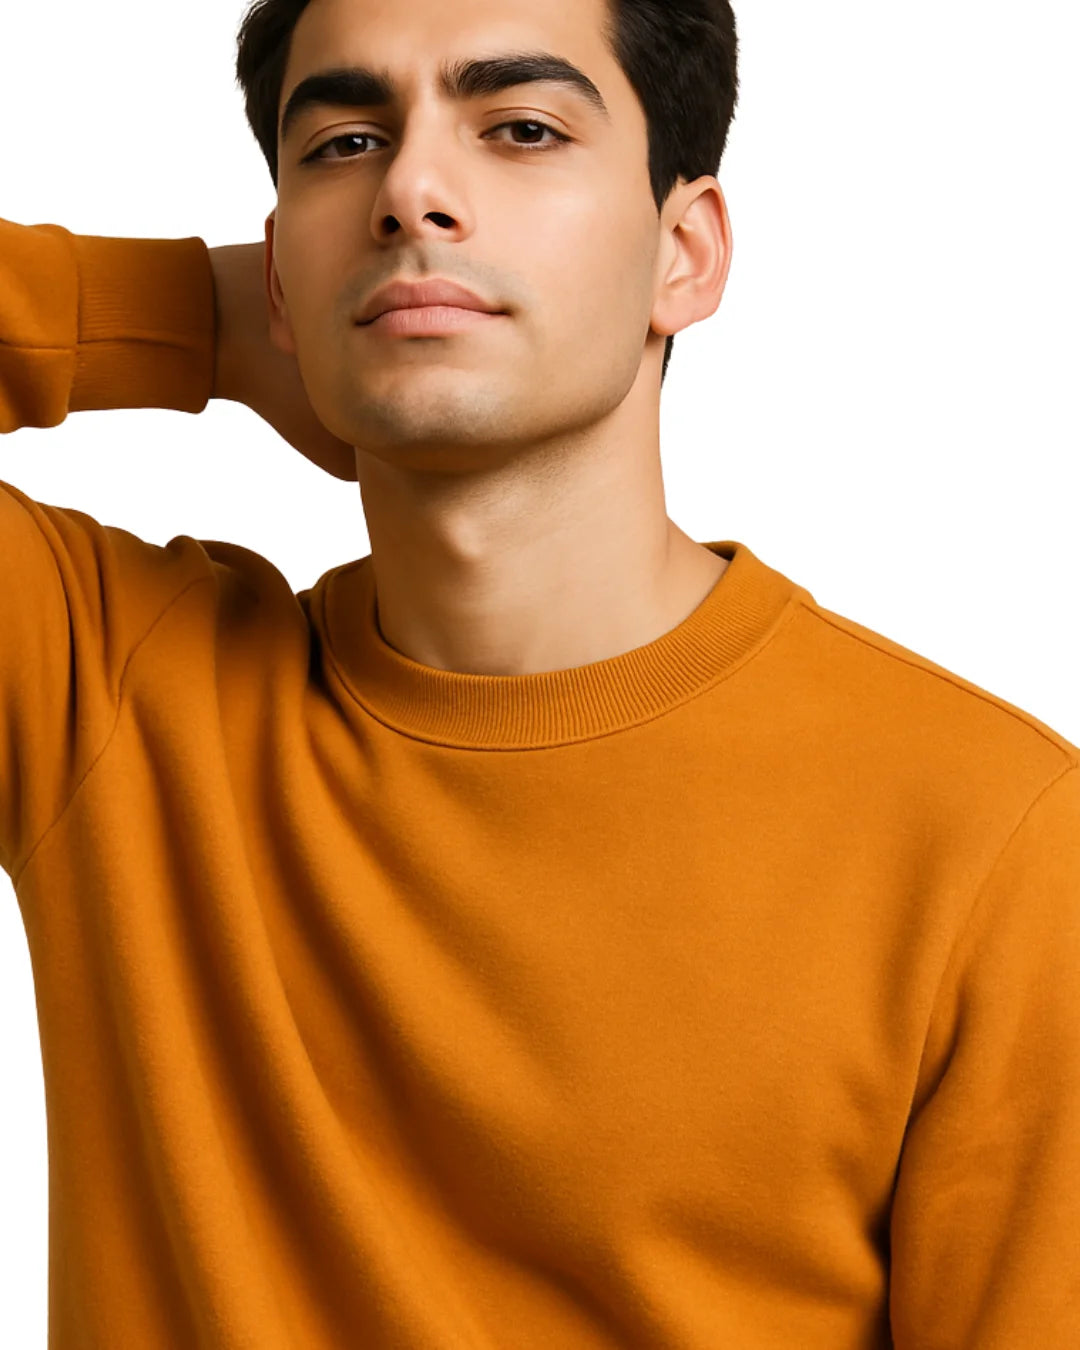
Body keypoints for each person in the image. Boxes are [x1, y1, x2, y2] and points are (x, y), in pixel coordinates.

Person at [1, 0, 1077, 1346]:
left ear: (682, 252)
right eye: (343, 142)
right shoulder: (108, 688)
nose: (410, 191)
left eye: (520, 126)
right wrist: (195, 315)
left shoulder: (990, 832)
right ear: (280, 272)